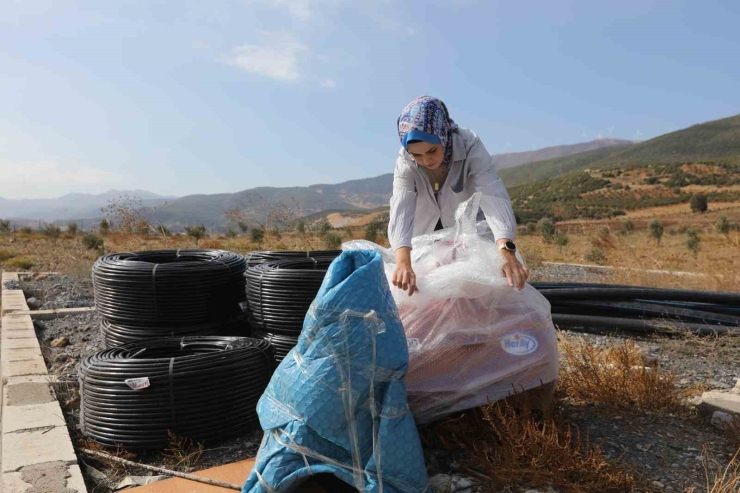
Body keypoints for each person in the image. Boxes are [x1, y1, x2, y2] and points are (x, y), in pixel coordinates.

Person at [389, 95, 528, 295]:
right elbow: (401, 209)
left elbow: (493, 196)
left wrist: (506, 251)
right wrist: (403, 262)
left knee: (481, 289)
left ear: (442, 136)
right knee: (428, 293)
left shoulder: (470, 146)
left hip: (470, 232)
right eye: (417, 155)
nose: (426, 160)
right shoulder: (404, 161)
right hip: (424, 234)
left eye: (432, 150)